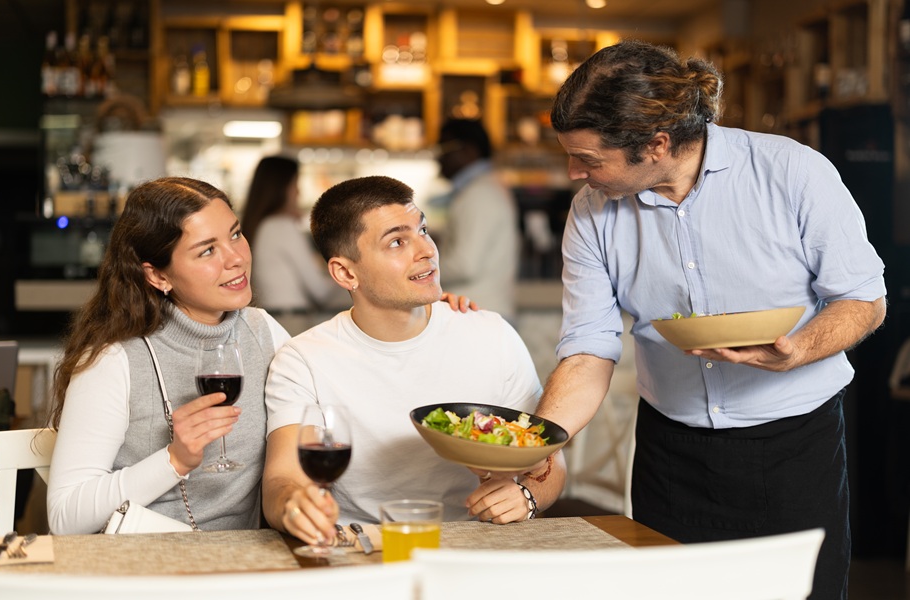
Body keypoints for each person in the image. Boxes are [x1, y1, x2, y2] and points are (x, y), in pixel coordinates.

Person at [534, 40, 885, 600]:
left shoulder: (792, 172)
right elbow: (589, 346)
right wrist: (538, 444)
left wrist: (799, 349)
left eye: (589, 160)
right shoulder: (591, 213)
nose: (575, 173)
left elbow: (863, 300)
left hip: (795, 447)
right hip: (669, 454)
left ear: (656, 144)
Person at [261, 175, 565, 547]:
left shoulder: (490, 333)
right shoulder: (304, 358)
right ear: (345, 272)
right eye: (397, 241)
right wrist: (295, 505)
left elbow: (550, 462)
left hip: (478, 542)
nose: (426, 250)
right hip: (361, 547)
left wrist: (527, 498)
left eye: (422, 229)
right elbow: (282, 480)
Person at [47, 176, 291, 534]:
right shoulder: (113, 360)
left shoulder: (263, 331)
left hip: (244, 569)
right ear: (158, 275)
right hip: (147, 572)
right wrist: (174, 459)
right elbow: (64, 517)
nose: (236, 259)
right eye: (207, 250)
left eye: (235, 234)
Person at [240, 155, 348, 332]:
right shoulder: (281, 225)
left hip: (275, 319)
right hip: (291, 322)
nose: (299, 192)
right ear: (280, 189)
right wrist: (354, 276)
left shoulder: (263, 224)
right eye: (295, 185)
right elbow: (319, 290)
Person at [433, 118, 520, 322]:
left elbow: (465, 264)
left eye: (443, 148)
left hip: (475, 313)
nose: (438, 158)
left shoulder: (480, 194)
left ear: (469, 150)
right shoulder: (485, 189)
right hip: (479, 311)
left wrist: (416, 270)